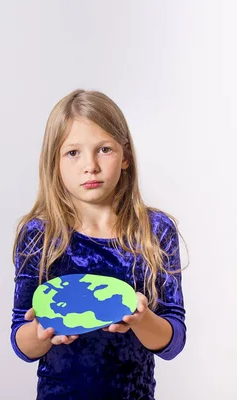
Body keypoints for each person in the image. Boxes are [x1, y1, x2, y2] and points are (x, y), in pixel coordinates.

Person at [10, 89, 187, 399]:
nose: (90, 165)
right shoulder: (39, 236)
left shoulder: (155, 231)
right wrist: (42, 334)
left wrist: (141, 320)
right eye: (73, 152)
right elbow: (21, 342)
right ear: (54, 162)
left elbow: (174, 341)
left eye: (104, 149)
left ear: (126, 156)